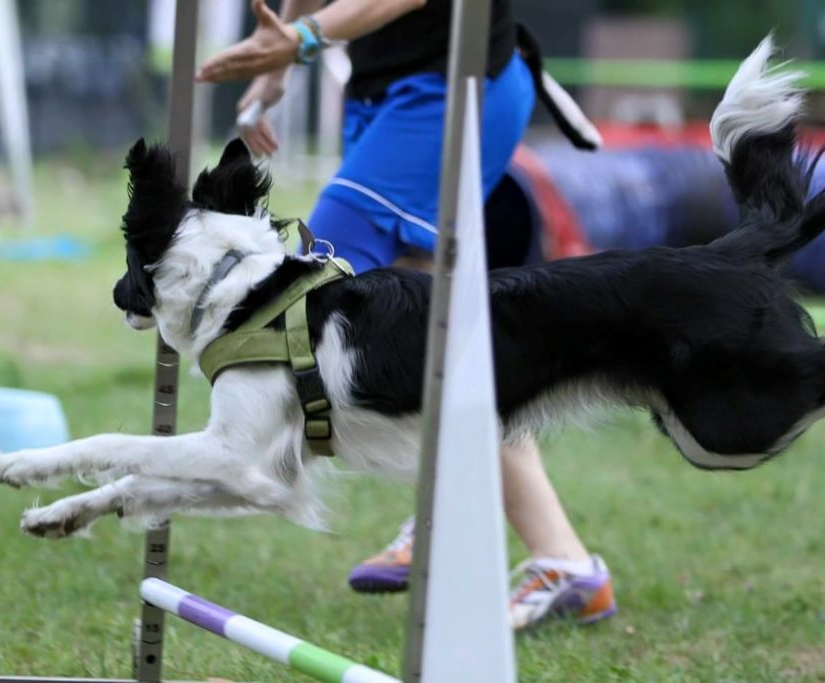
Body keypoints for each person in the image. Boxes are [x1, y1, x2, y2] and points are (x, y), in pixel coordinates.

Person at [197, 0, 614, 630]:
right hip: (382, 91)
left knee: (318, 288)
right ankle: (565, 564)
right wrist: (279, 55)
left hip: (456, 82)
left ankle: (444, 510)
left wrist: (300, 41)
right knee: (442, 343)